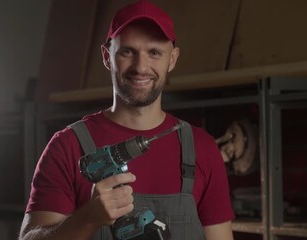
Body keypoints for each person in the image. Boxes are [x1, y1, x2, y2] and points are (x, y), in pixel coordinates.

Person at [19, 0, 235, 239]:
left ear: (172, 59)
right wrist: (88, 217)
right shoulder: (67, 147)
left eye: (154, 52)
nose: (141, 67)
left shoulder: (202, 148)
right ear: (107, 56)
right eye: (127, 51)